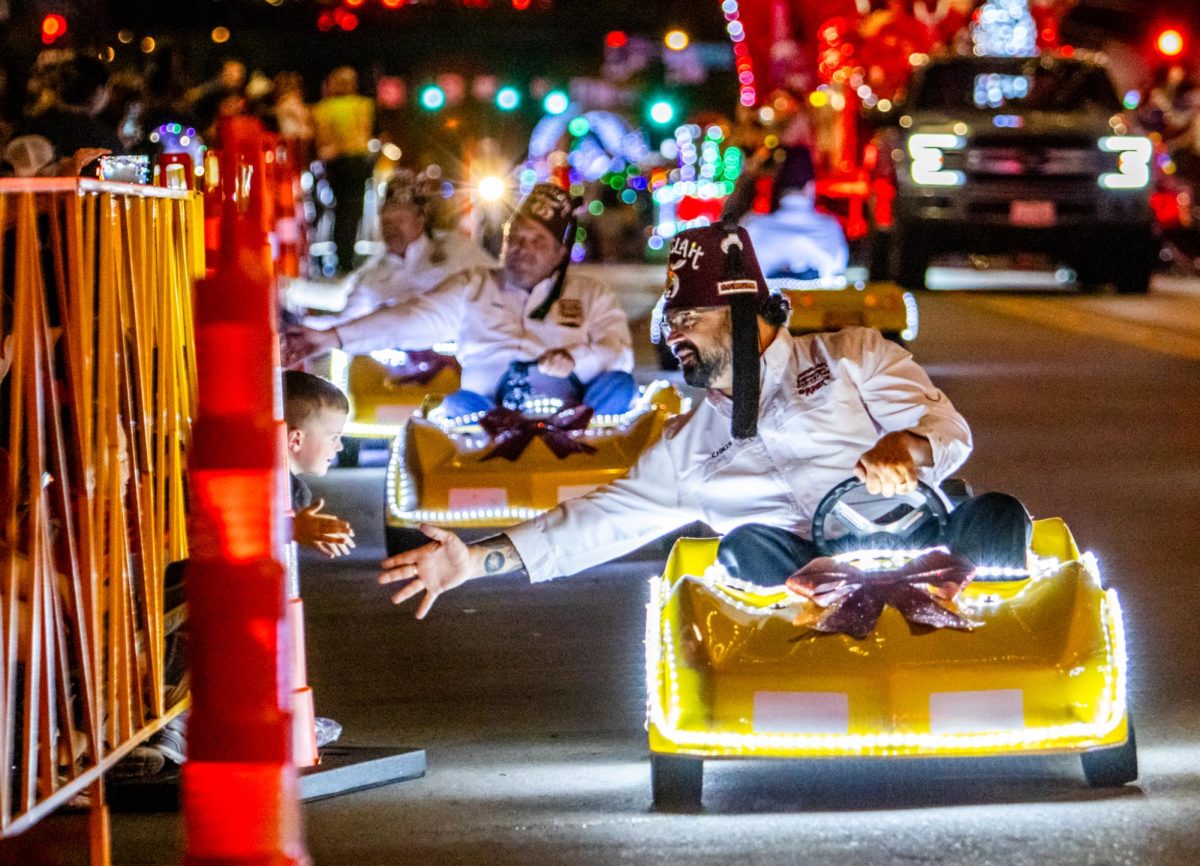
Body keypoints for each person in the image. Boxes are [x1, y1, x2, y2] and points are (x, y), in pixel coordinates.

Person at [377, 222, 1031, 618]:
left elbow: (943, 426)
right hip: (804, 588)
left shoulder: (852, 355)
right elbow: (598, 523)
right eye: (672, 323)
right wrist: (474, 563)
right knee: (740, 552)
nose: (676, 336)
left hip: (922, 541)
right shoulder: (687, 448)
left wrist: (907, 447)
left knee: (1001, 518)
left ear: (743, 312)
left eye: (691, 319)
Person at [284, 183, 637, 416]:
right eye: (516, 238)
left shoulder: (592, 294)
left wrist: (573, 358)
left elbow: (618, 351)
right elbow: (412, 317)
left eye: (538, 241)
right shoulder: (473, 285)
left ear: (561, 252)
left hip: (577, 414)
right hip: (487, 413)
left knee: (621, 388)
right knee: (452, 408)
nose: (522, 250)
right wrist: (331, 337)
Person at [314, 169, 496, 327]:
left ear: (420, 219)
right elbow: (345, 325)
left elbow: (503, 289)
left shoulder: (457, 250)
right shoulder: (373, 274)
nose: (391, 228)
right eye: (386, 221)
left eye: (400, 220)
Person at [741, 145, 848, 283]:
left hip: (763, 301)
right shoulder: (830, 228)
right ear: (810, 186)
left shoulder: (751, 228)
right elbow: (839, 267)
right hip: (817, 301)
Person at [284, 370, 356, 558]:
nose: (339, 446)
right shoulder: (278, 488)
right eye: (334, 437)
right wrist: (290, 527)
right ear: (295, 440)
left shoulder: (293, 489)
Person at [311, 67, 375, 273]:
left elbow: (321, 138)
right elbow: (366, 131)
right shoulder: (363, 105)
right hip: (355, 162)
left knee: (339, 210)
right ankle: (346, 256)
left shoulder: (322, 108)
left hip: (335, 164)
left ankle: (341, 254)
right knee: (353, 210)